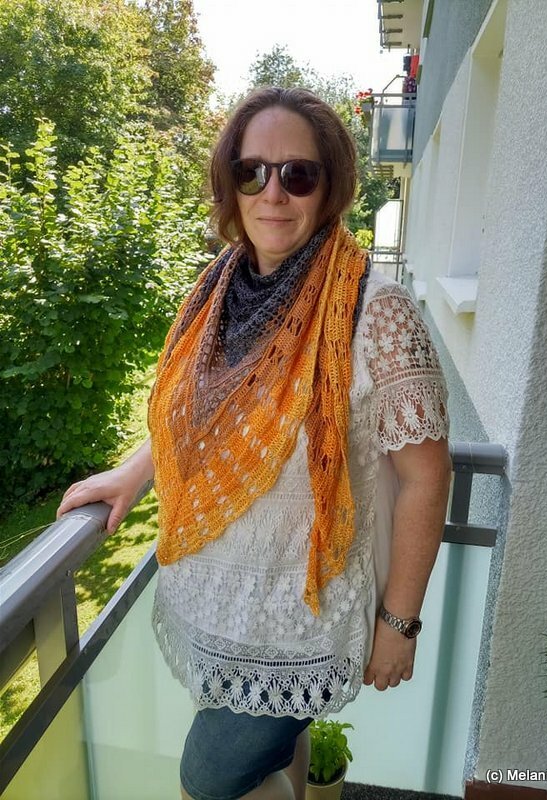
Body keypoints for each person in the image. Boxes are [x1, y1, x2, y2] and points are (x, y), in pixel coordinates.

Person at [57, 87, 451, 800]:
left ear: (330, 187)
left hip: (301, 625)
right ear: (229, 183)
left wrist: (400, 623)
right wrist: (136, 472)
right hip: (216, 607)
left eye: (298, 174)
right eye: (252, 172)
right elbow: (205, 422)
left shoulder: (376, 312)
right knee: (269, 764)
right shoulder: (217, 295)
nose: (273, 193)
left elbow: (427, 476)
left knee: (206, 781)